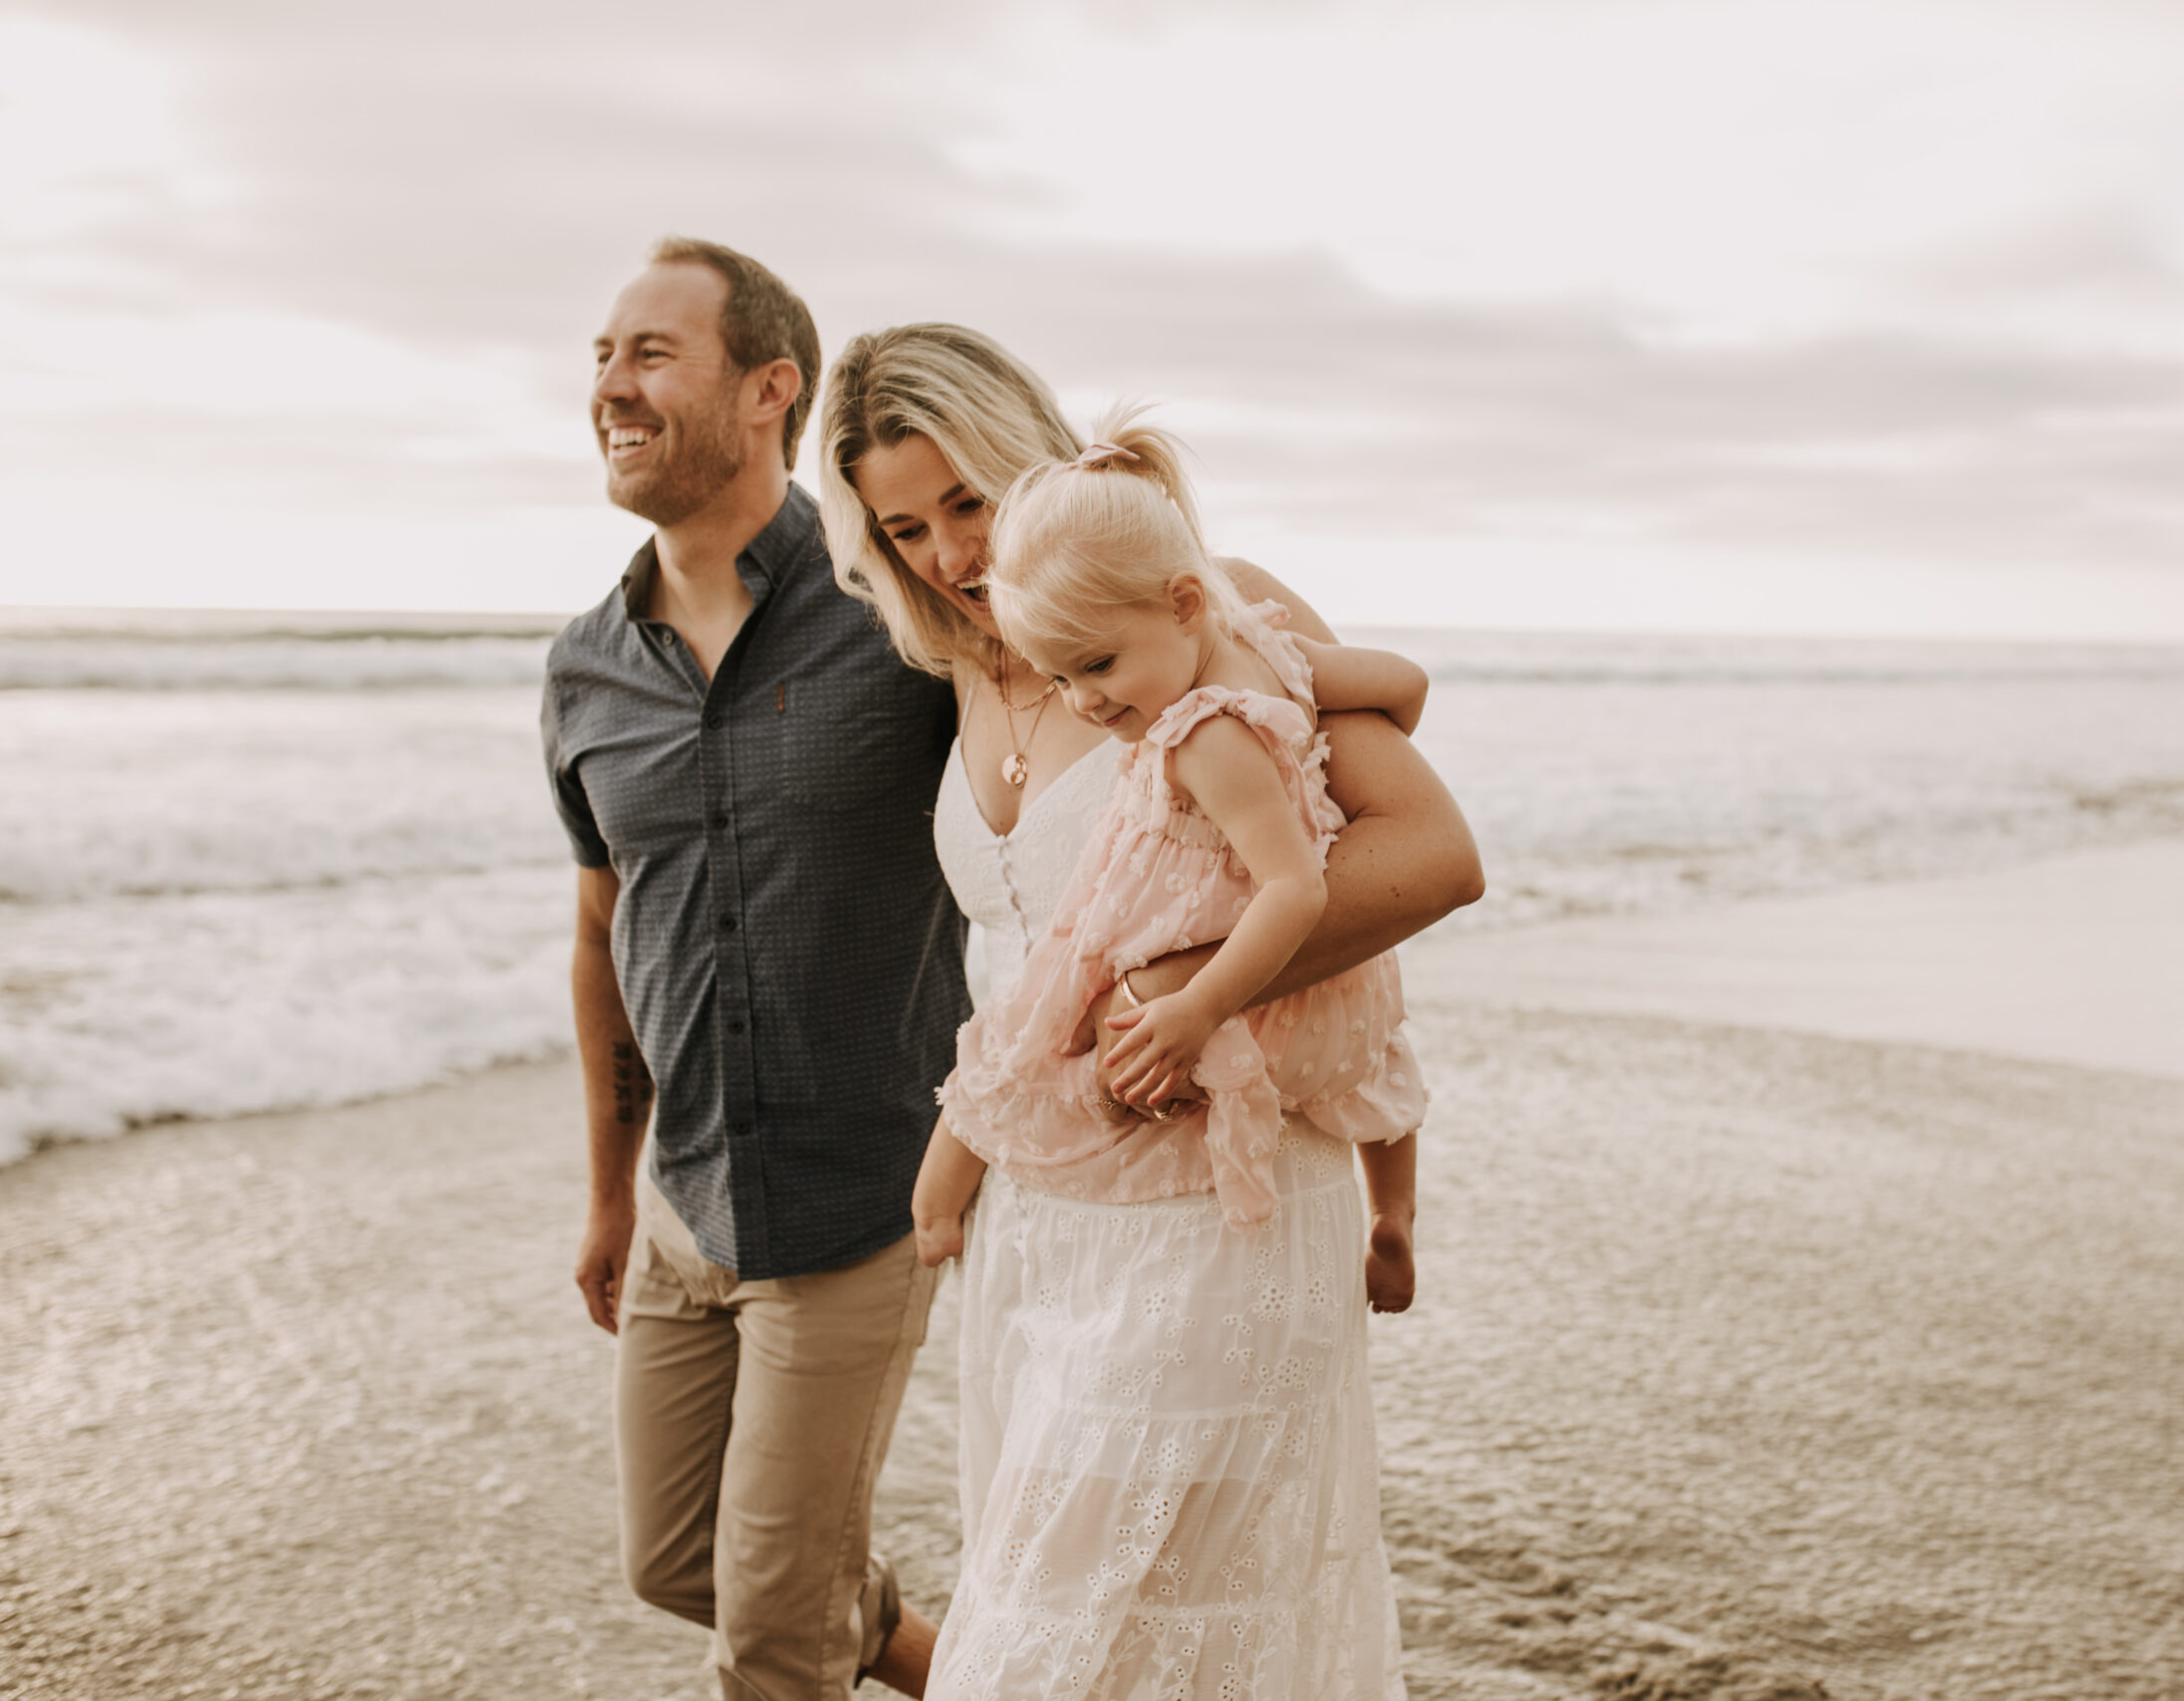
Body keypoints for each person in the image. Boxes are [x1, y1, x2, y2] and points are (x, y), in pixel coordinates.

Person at [818, 324, 1485, 1697]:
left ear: (1036, 456)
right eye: (905, 527)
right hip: (1045, 1220)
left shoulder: (1212, 610)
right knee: (1098, 1626)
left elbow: (1429, 850)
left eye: (968, 498)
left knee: (1060, 1644)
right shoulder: (960, 673)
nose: (949, 551)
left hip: (1214, 1198)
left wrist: (1191, 985)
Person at [541, 239, 957, 1699]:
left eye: (651, 352)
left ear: (772, 387)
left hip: (863, 1203)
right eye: (602, 353)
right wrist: (608, 1189)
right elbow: (606, 931)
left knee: (772, 1637)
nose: (610, 383)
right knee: (677, 1559)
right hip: (685, 1208)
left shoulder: (900, 612)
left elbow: (1071, 775)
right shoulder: (587, 665)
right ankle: (991, 1668)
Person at [913, 411, 1429, 1273]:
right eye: (1061, 676)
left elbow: (1295, 890)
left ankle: (933, 1212)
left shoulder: (1202, 735)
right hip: (1301, 953)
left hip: (1205, 927)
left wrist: (1198, 1006)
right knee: (1374, 1046)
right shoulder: (1270, 647)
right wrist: (1316, 757)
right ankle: (1395, 1214)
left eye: (1100, 665)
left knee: (1040, 1028)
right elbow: (1405, 685)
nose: (1082, 701)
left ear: (1184, 602)